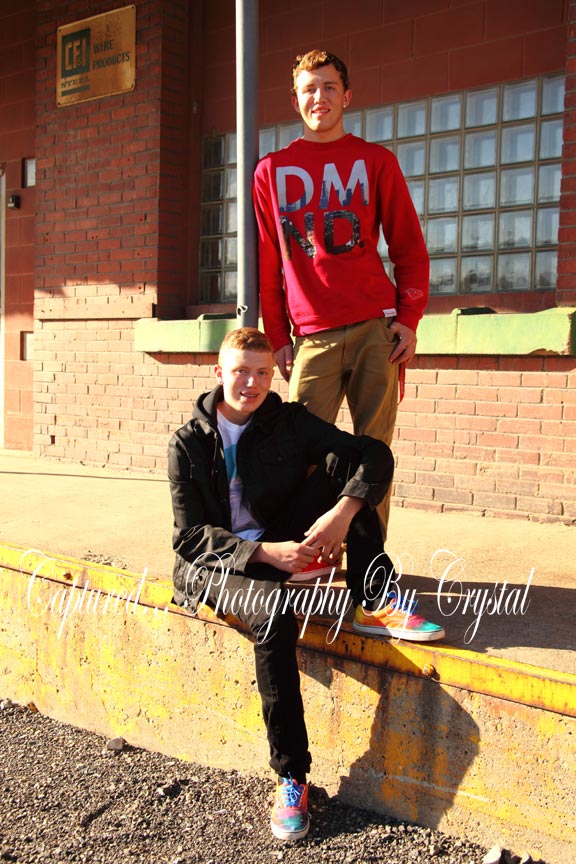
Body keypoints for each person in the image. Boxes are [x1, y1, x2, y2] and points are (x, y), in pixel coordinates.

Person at [168, 328, 444, 843]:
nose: (251, 384)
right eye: (240, 371)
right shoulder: (188, 442)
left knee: (354, 471)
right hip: (219, 564)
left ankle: (371, 599)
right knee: (275, 617)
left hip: (278, 539)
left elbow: (374, 455)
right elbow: (189, 538)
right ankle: (292, 776)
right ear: (219, 373)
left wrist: (342, 514)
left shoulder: (286, 420)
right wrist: (266, 555)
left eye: (261, 373)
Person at [252, 48, 429, 542]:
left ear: (347, 96)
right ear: (295, 101)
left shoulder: (376, 161)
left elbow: (409, 247)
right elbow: (269, 261)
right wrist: (277, 335)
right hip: (312, 335)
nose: (320, 97)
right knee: (300, 450)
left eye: (329, 87)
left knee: (375, 450)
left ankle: (369, 561)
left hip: (377, 327)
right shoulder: (271, 171)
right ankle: (306, 553)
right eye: (309, 89)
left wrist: (410, 317)